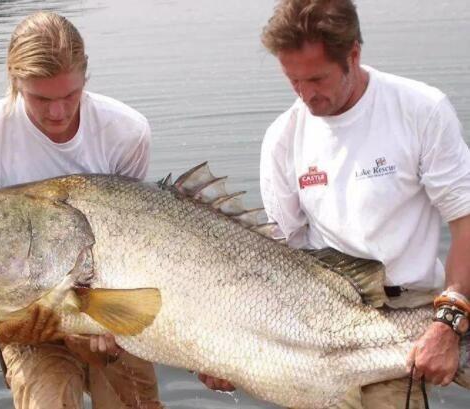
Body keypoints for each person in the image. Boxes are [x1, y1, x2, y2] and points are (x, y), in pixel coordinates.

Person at [201, 0, 470, 407]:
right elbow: (276, 258)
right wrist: (229, 348)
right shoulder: (282, 137)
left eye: (317, 79)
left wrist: (448, 323)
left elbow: (464, 221)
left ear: (354, 55)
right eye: (293, 80)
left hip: (409, 310)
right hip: (316, 313)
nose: (306, 94)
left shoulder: (420, 110)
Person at [0, 11, 162, 409]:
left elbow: (134, 245)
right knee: (48, 399)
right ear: (14, 82)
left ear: (85, 78)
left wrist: (104, 329)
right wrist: (9, 330)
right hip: (27, 318)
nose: (58, 114)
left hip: (109, 306)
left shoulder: (126, 132)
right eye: (41, 99)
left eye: (70, 95)